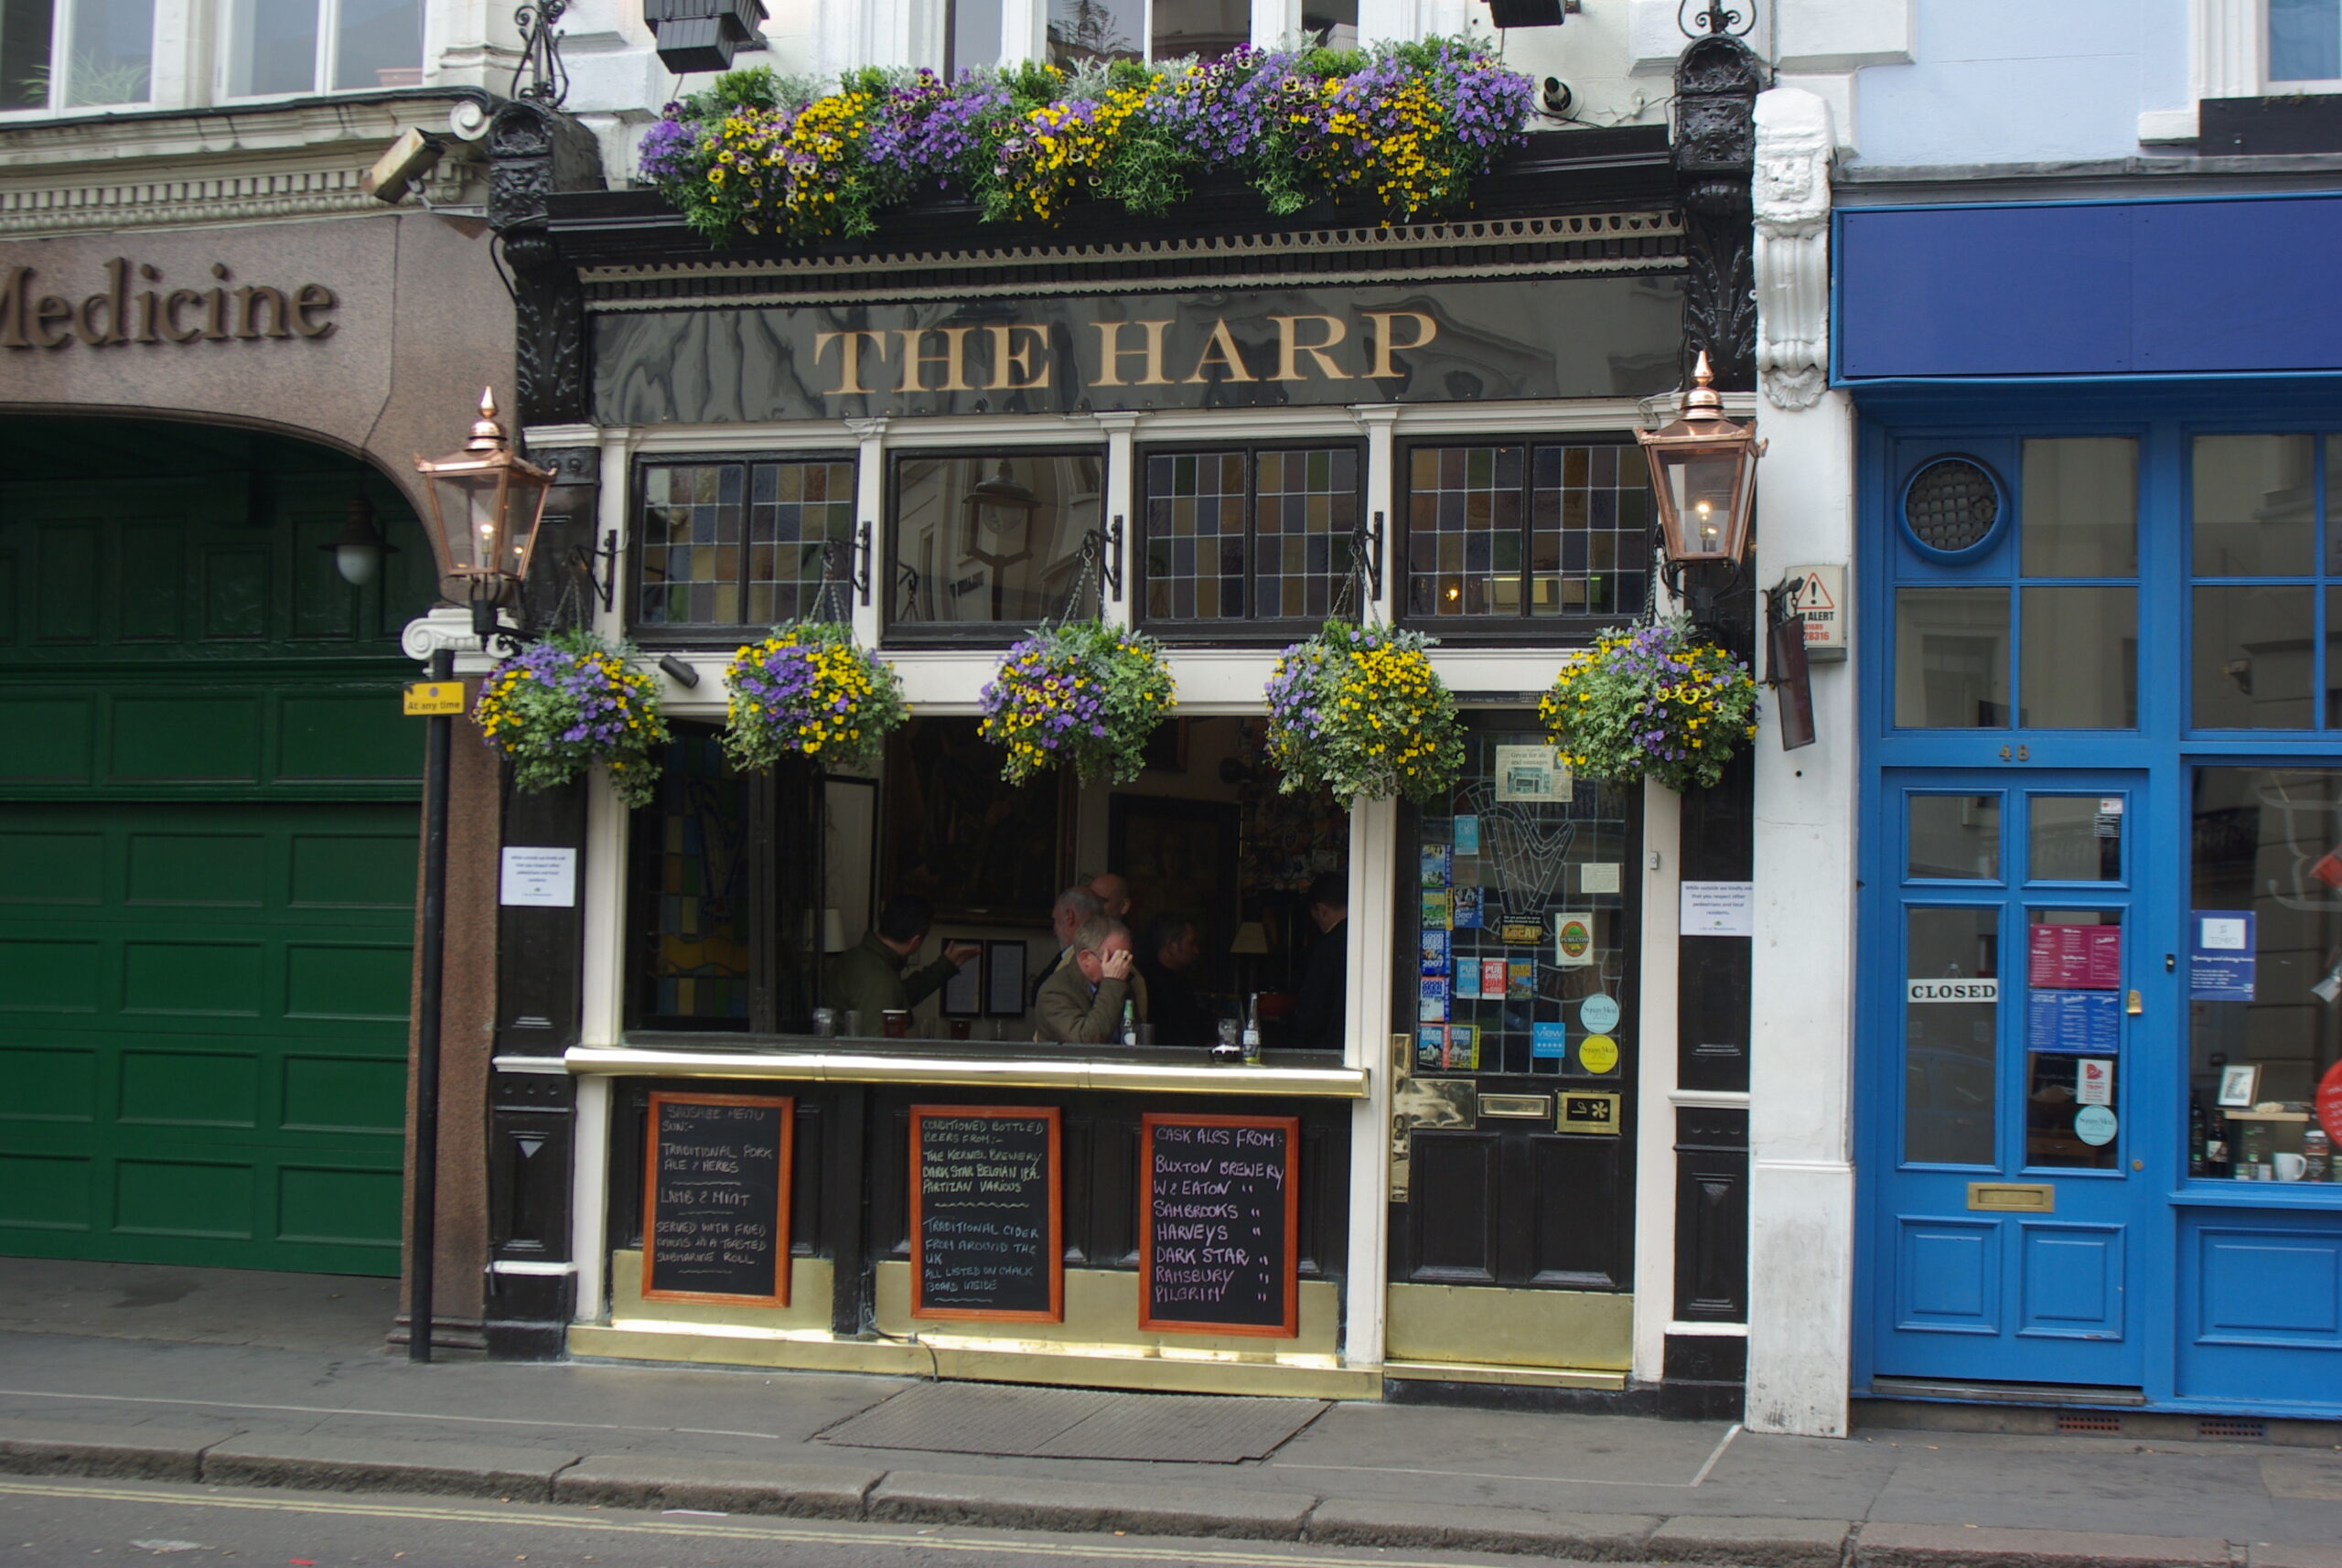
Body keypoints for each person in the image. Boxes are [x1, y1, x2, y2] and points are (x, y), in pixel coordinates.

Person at [827, 895, 979, 1033]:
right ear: (915, 941)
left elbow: (897, 996)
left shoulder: (860, 959)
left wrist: (945, 966)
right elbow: (876, 1049)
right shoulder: (878, 978)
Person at [1037, 916, 1147, 1044]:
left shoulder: (1126, 982)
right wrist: (1112, 983)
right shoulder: (1053, 993)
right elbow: (1087, 1041)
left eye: (1125, 958)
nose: (1122, 966)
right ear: (1086, 958)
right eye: (1113, 960)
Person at [1137, 912, 1211, 1047]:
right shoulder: (1146, 984)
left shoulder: (1181, 981)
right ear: (1172, 945)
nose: (1196, 951)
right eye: (1191, 943)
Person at [1292, 872, 1348, 1051]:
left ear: (1321, 910)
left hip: (1327, 1049)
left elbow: (1312, 1012)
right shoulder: (1367, 940)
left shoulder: (1326, 949)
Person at [1030, 886, 1104, 1004]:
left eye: (1055, 919)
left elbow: (1040, 996)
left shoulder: (1078, 958)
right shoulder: (1111, 953)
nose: (1054, 931)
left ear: (1069, 916)